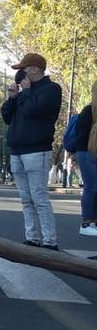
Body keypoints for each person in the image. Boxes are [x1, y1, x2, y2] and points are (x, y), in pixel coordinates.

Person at [0, 53, 62, 250]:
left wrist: (25, 93)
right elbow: (7, 118)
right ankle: (31, 237)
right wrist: (11, 99)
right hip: (17, 149)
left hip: (36, 149)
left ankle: (49, 241)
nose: (20, 73)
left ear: (35, 69)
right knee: (26, 199)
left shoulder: (51, 89)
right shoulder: (22, 93)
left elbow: (34, 110)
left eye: (23, 69)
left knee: (39, 197)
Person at [72, 82, 97, 242]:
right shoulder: (89, 111)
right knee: (92, 186)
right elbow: (80, 134)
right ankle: (87, 221)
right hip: (87, 152)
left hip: (88, 152)